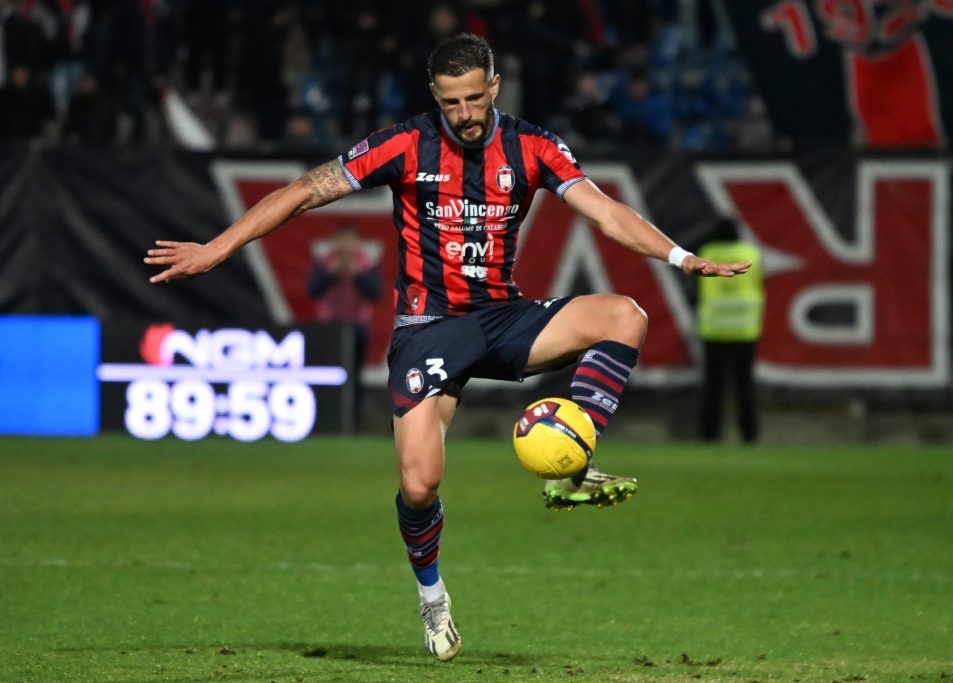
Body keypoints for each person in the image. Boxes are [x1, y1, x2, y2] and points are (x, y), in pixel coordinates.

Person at [144, 33, 750, 663]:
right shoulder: (405, 143)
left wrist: (680, 257)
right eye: (451, 102)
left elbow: (604, 211)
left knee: (625, 315)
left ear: (494, 87)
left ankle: (574, 457)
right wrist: (217, 248)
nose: (465, 113)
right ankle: (432, 595)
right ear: (435, 96)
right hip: (427, 329)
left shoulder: (534, 146)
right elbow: (303, 191)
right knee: (418, 485)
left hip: (503, 317)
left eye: (474, 98)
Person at [306, 224, 382, 432]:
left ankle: (352, 423)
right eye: (342, 240)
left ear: (357, 243)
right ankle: (325, 422)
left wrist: (357, 275)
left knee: (354, 377)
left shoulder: (366, 265)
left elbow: (376, 292)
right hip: (329, 330)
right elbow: (313, 290)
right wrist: (331, 274)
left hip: (358, 329)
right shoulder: (325, 264)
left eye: (350, 241)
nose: (346, 246)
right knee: (327, 376)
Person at [696, 218, 764, 443]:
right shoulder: (751, 254)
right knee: (745, 385)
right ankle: (749, 432)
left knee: (713, 385)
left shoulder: (707, 253)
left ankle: (710, 433)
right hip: (745, 329)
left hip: (714, 329)